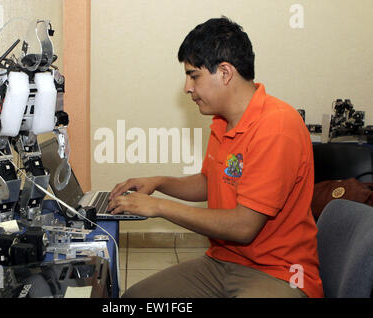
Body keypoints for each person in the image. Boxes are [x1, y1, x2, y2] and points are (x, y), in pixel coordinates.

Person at [107, 16, 323, 298]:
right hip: (223, 262)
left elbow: (244, 226)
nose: (187, 87)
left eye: (193, 75)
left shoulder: (276, 126)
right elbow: (211, 182)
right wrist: (158, 182)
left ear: (224, 73)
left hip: (279, 272)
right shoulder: (224, 122)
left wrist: (158, 206)